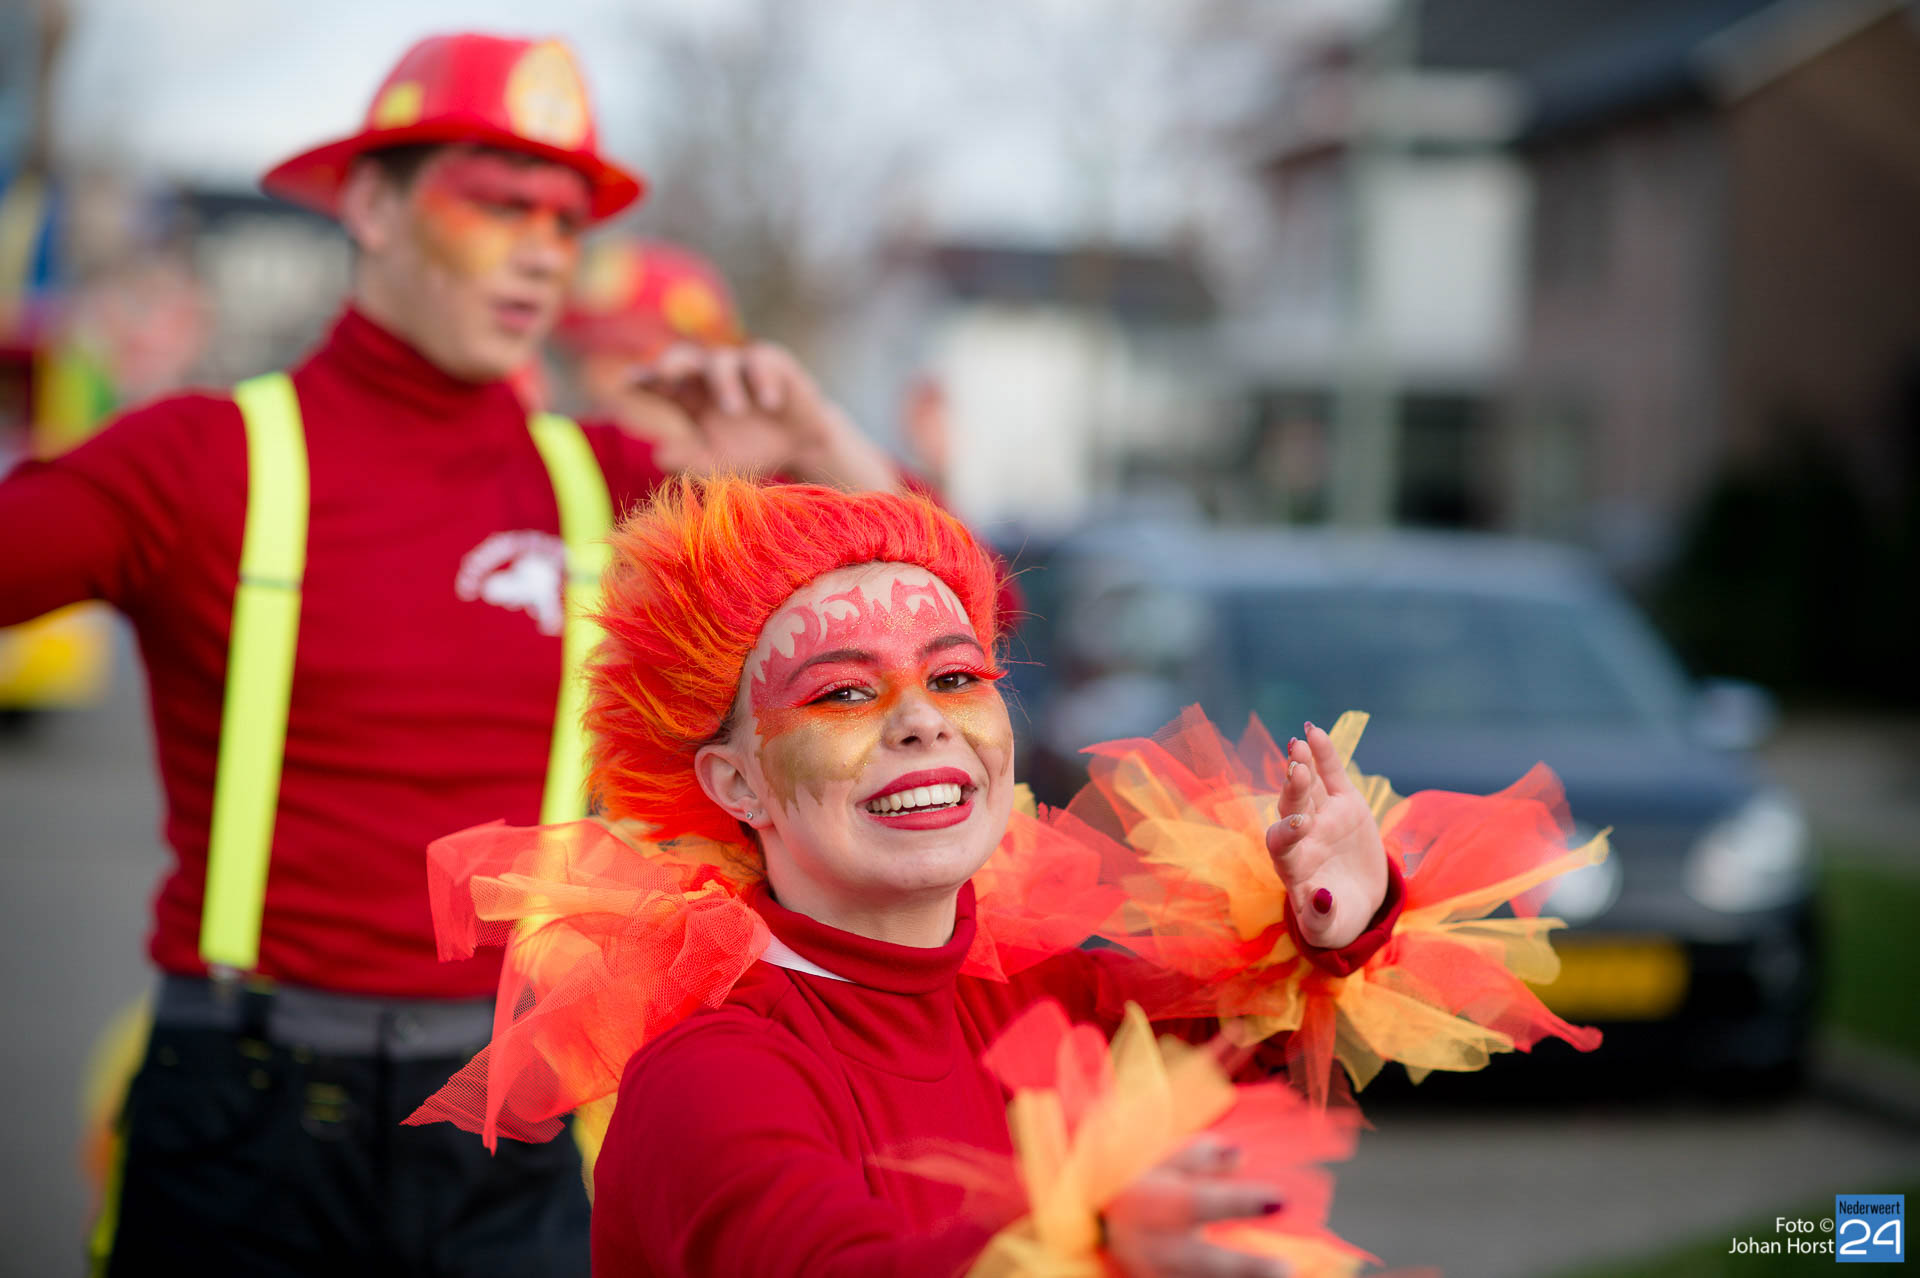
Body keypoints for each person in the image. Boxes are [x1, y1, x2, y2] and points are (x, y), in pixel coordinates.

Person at [0, 31, 898, 1276]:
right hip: (244, 1116)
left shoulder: (610, 484)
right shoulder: (203, 460)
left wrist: (816, 434)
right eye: (498, 203)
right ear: (373, 205)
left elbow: (930, 617)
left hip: (508, 1116)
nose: (543, 248)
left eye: (566, 219)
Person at [409, 476, 1608, 1276]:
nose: (922, 721)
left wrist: (1335, 921)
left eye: (956, 676)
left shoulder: (1058, 994)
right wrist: (1088, 1238)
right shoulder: (710, 1076)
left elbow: (1270, 1059)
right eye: (843, 691)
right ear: (735, 783)